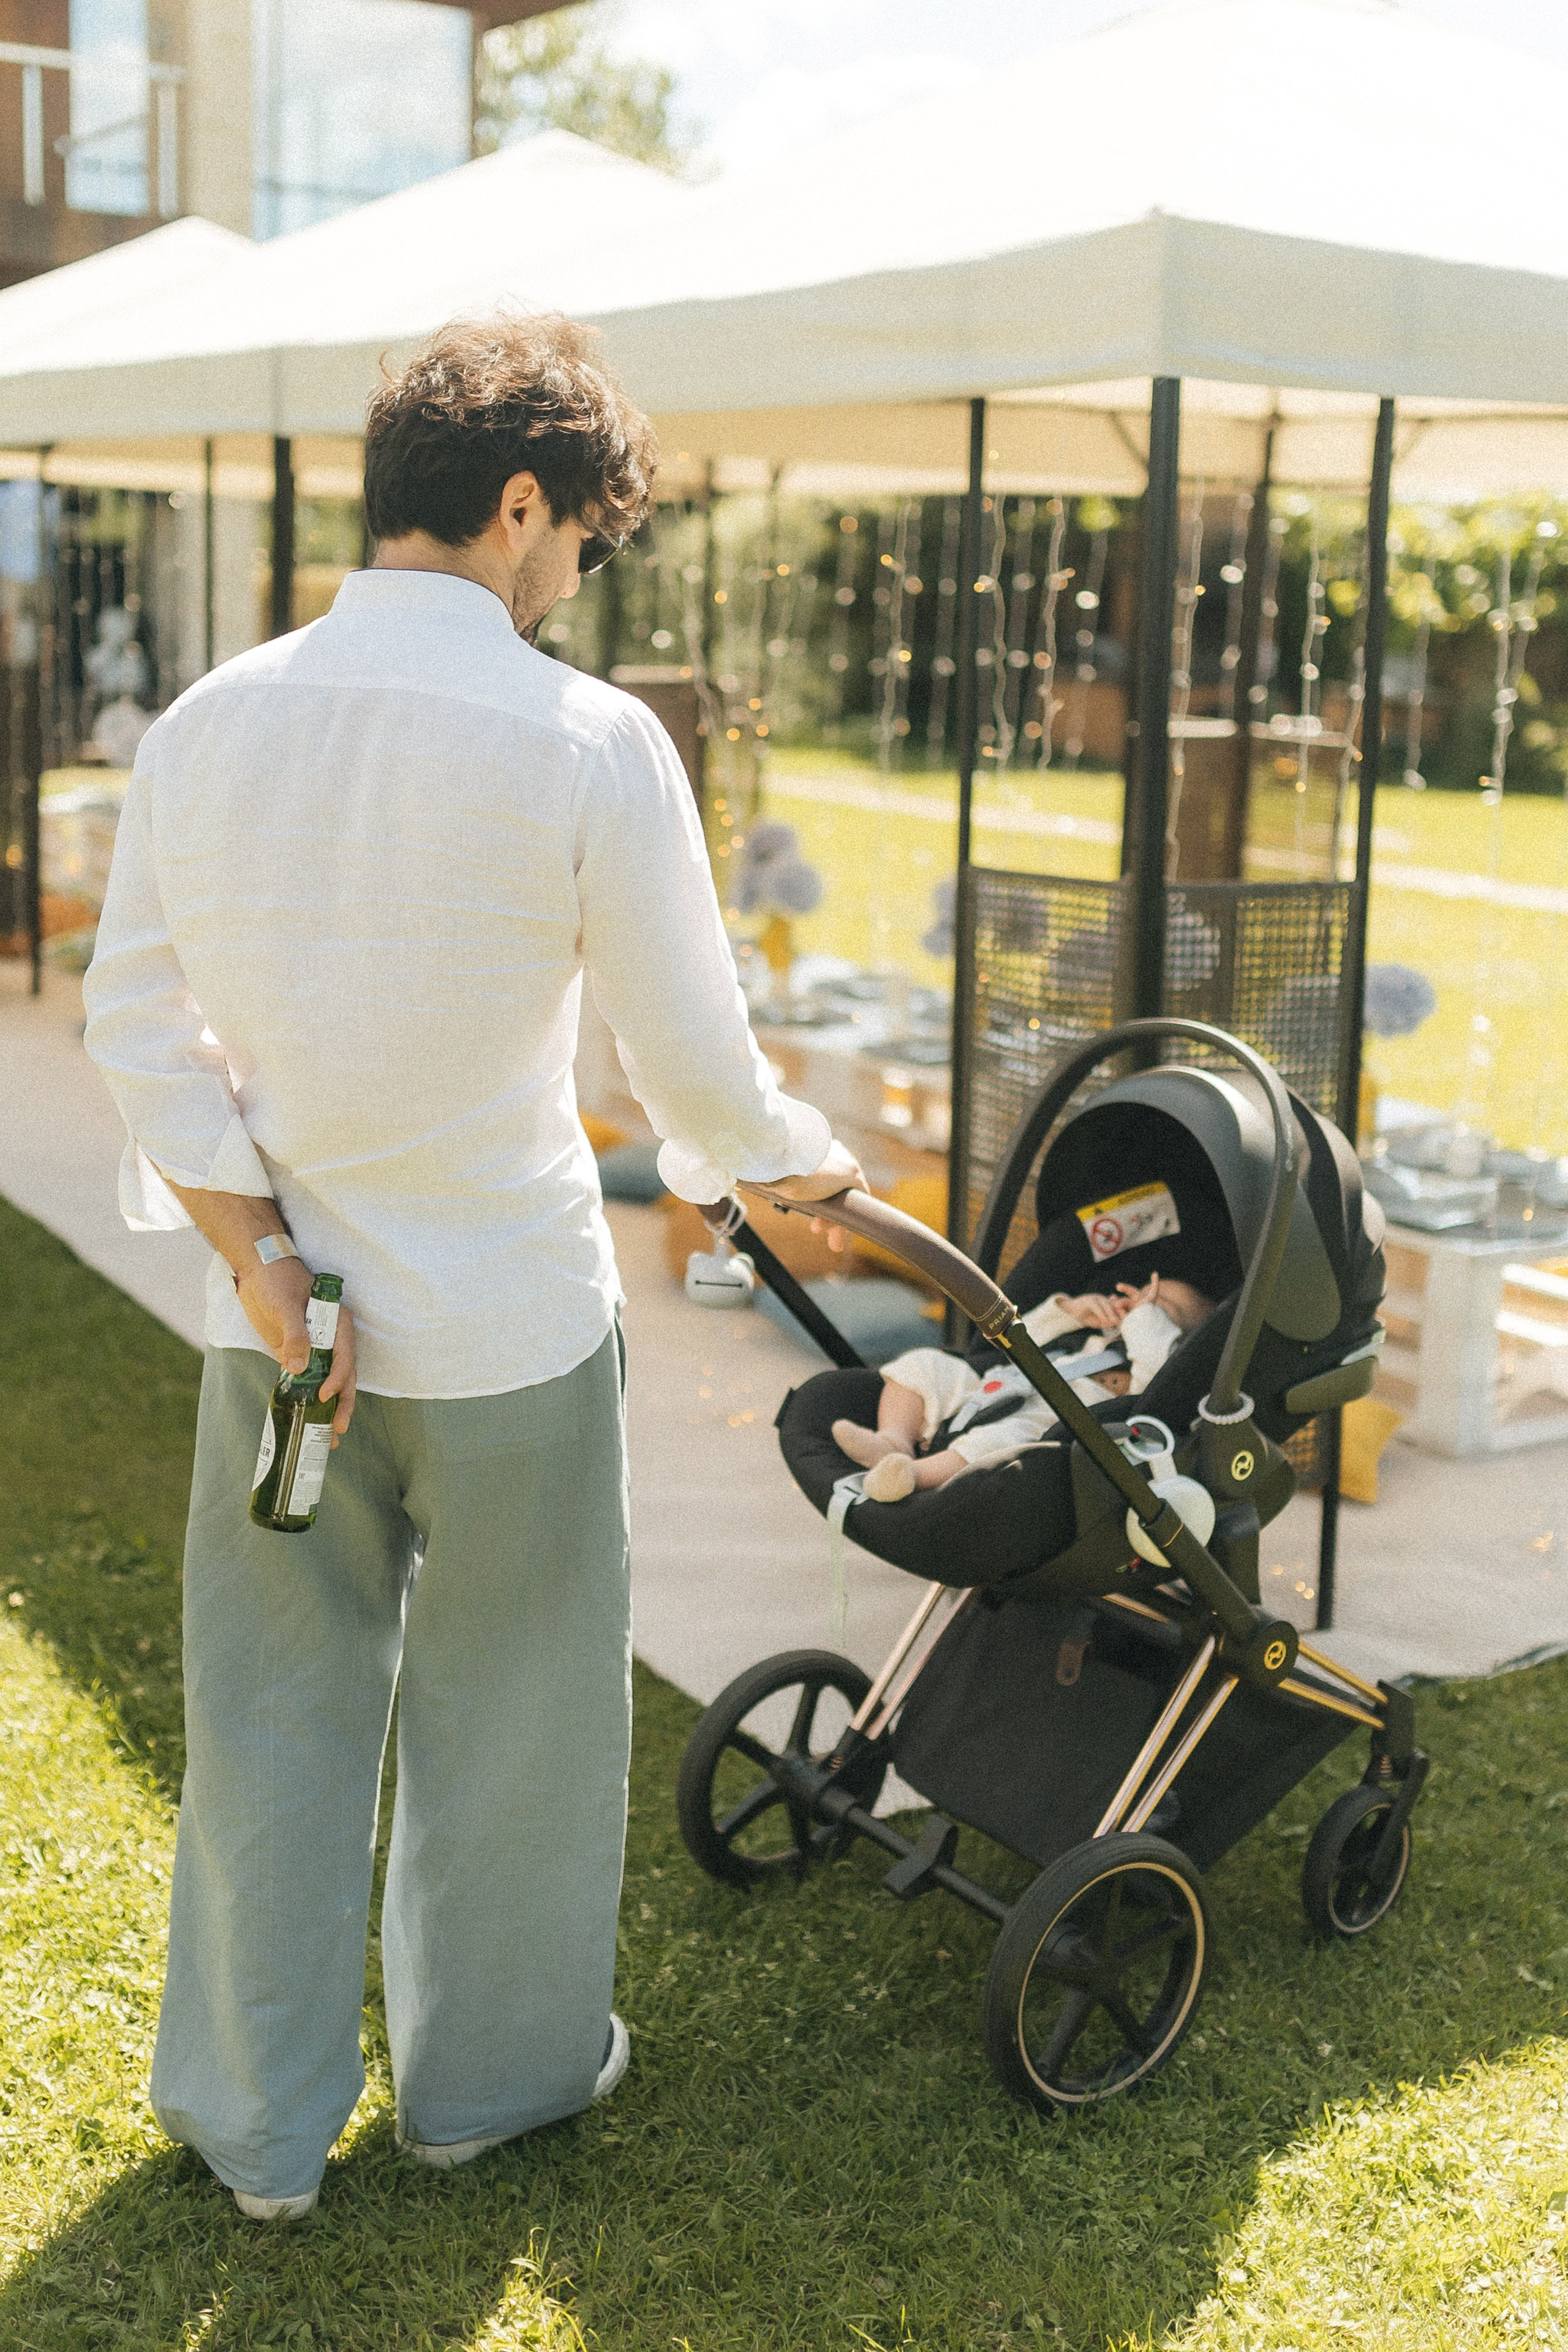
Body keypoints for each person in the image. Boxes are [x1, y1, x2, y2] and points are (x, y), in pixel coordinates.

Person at [81, 314, 863, 2222]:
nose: (577, 575)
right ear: (521, 503)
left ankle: (259, 2133)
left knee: (268, 1722)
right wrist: (791, 1162)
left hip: (284, 1340)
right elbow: (692, 1070)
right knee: (517, 1723)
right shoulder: (588, 740)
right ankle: (486, 2091)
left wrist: (263, 1259)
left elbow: (135, 1027)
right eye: (583, 537)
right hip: (512, 1327)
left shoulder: (209, 719)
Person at [831, 1273, 1212, 1500]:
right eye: (1143, 1293)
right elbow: (1020, 1343)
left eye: (1161, 1306)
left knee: (998, 1443)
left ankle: (912, 1476)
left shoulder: (1153, 1376)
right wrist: (1070, 1313)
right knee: (925, 1366)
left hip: (1043, 1424)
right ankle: (894, 1441)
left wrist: (1145, 1319)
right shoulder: (1092, 1340)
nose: (1142, 1301)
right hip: (998, 1386)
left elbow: (1158, 1366)